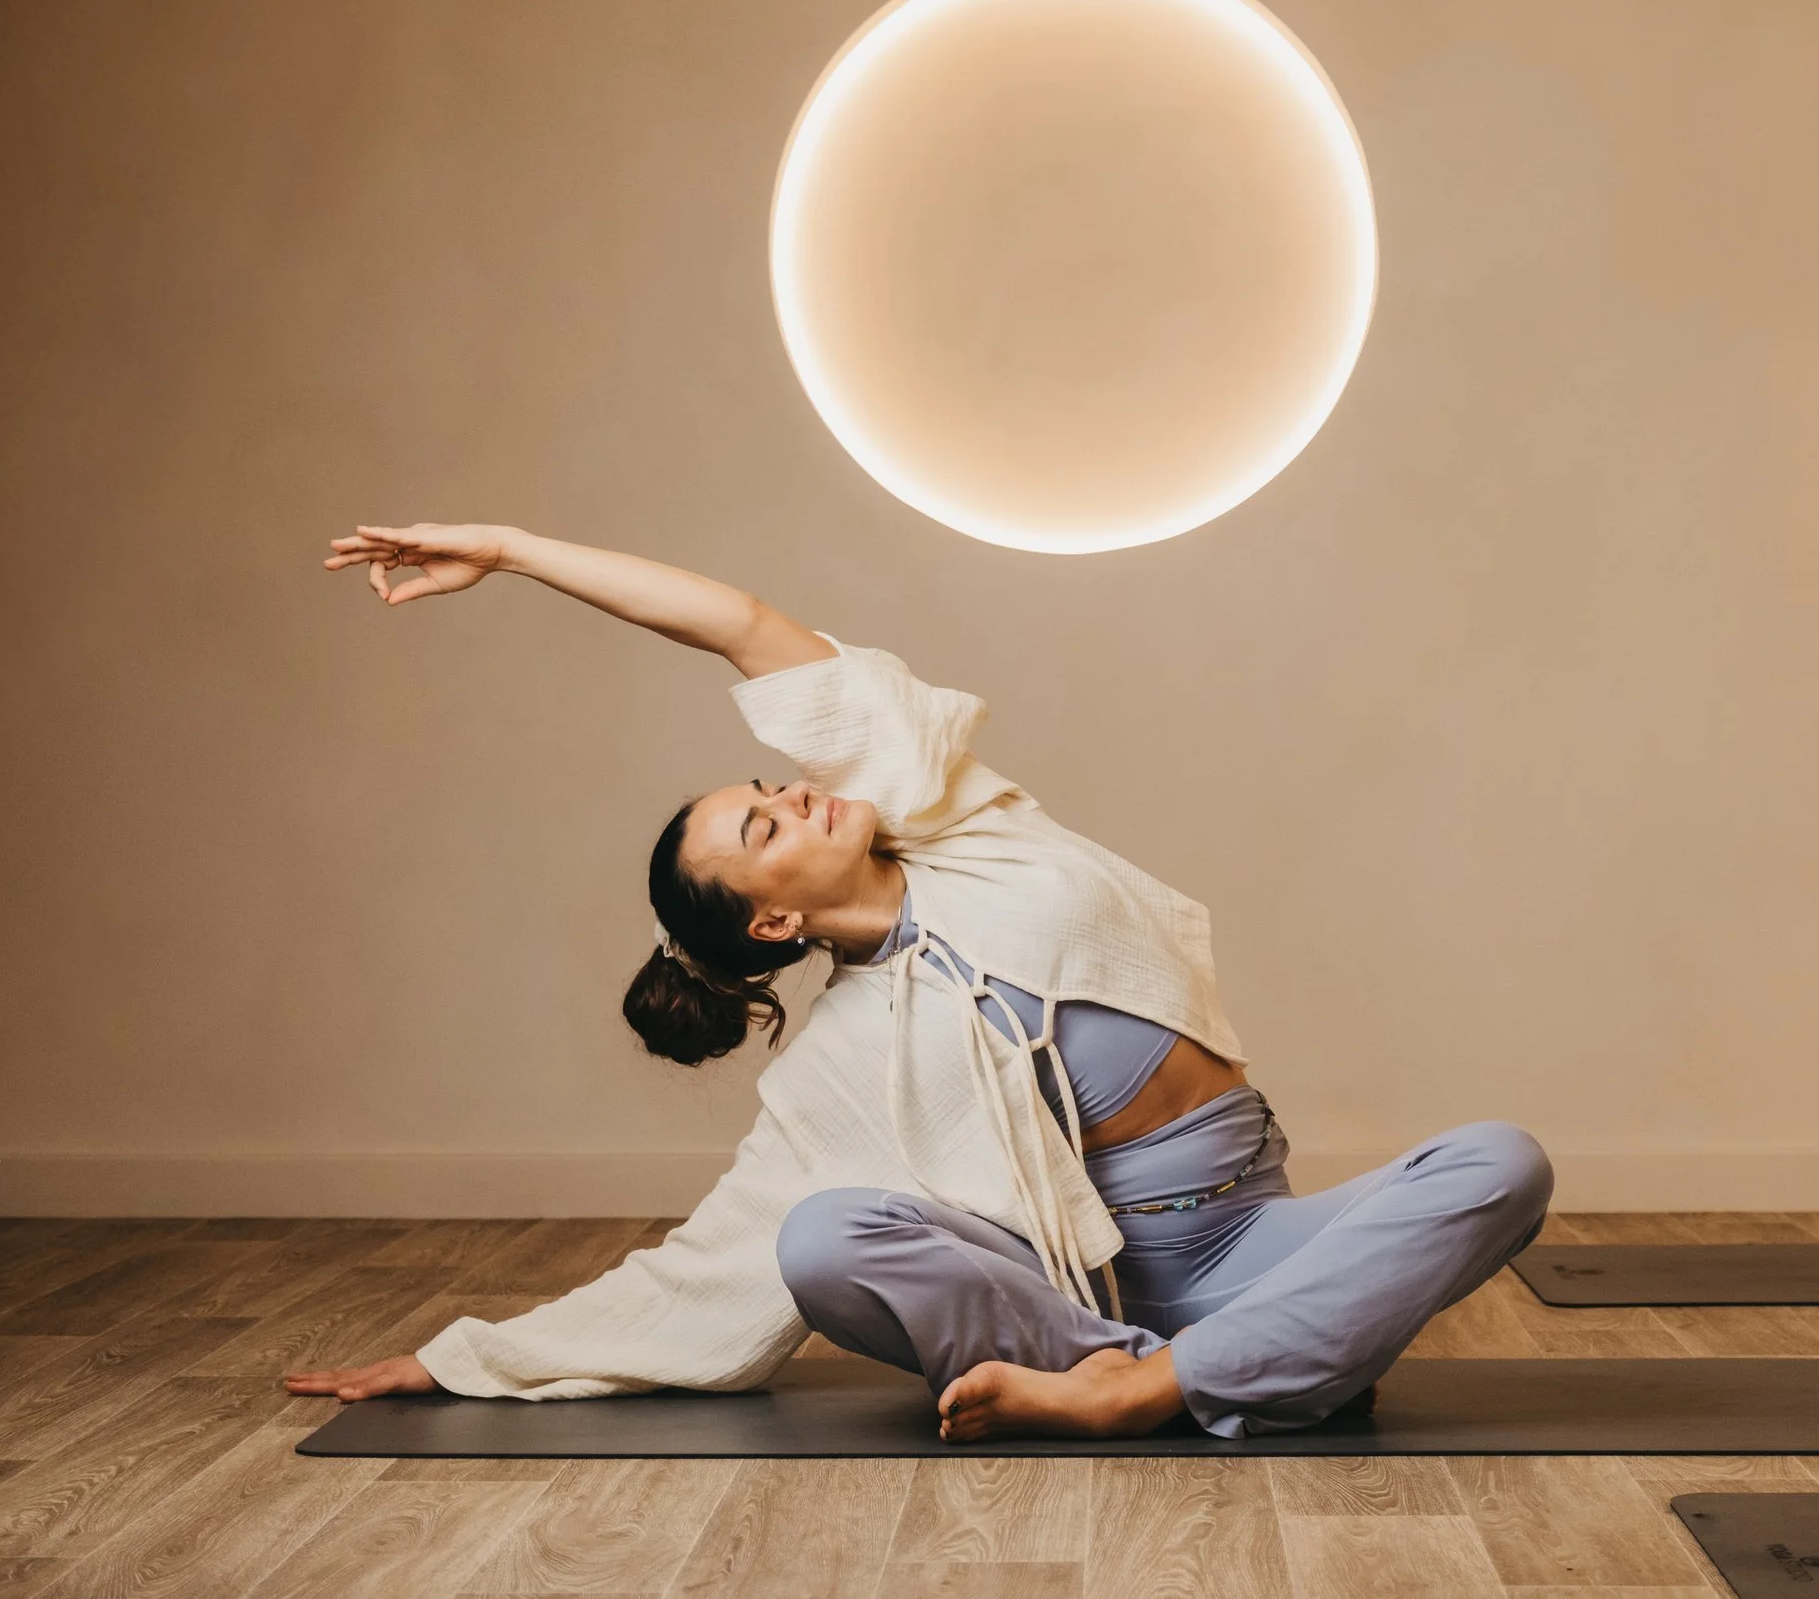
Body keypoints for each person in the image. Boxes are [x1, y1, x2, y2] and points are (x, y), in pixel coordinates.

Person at [287, 522, 1554, 1440]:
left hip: (1256, 1233)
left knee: (1501, 1160)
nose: (787, 792)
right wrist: (468, 1360)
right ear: (775, 918)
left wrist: (510, 550)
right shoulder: (837, 1062)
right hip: (1102, 1301)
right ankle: (1227, 1368)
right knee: (819, 1236)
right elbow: (698, 1270)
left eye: (768, 787)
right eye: (764, 826)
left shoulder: (961, 822)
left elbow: (740, 626)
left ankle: (1165, 1386)